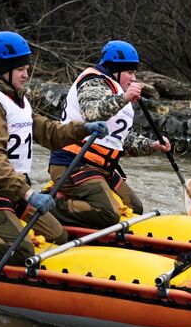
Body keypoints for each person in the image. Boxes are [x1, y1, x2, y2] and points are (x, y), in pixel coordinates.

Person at [0, 30, 108, 263]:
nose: (26, 75)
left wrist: (83, 129)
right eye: (20, 70)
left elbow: (48, 132)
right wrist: (28, 193)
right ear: (1, 69)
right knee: (21, 250)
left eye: (27, 68)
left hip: (10, 192)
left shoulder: (14, 97)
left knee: (59, 236)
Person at [49, 40, 172, 228]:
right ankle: (50, 206)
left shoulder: (118, 93)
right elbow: (92, 113)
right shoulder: (92, 81)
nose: (133, 78)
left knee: (135, 207)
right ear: (115, 70)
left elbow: (119, 141)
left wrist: (152, 145)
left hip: (101, 168)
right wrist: (124, 98)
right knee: (108, 212)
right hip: (73, 164)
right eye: (130, 72)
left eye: (134, 73)